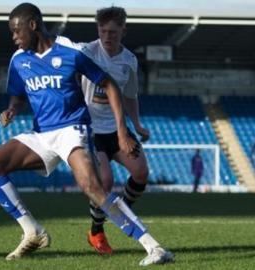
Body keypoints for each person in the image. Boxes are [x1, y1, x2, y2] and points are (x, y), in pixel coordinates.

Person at [0, 2, 173, 265]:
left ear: (33, 25)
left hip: (72, 129)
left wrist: (123, 130)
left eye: (16, 31)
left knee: (93, 187)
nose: (14, 38)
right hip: (41, 135)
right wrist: (12, 109)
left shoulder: (70, 51)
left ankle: (153, 247)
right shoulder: (19, 60)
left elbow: (110, 84)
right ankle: (32, 231)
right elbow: (18, 95)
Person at [79, 6, 151, 255]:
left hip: (117, 129)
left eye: (112, 31)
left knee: (141, 172)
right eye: (102, 30)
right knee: (105, 181)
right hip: (90, 130)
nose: (107, 36)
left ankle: (118, 213)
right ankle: (96, 231)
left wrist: (138, 124)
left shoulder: (129, 60)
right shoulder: (87, 53)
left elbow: (130, 96)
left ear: (123, 30)